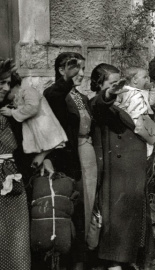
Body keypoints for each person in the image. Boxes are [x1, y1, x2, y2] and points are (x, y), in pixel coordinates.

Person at [89, 63, 153, 269]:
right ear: (100, 85)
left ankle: (128, 258)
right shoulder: (100, 104)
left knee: (131, 218)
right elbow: (99, 104)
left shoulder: (126, 102)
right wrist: (108, 95)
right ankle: (116, 261)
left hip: (133, 168)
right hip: (118, 171)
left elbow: (149, 129)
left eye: (120, 83)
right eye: (112, 84)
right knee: (117, 218)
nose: (118, 88)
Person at [43, 52, 92, 270]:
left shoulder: (81, 98)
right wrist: (65, 81)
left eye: (82, 68)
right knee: (62, 216)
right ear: (62, 71)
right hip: (60, 164)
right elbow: (55, 95)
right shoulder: (53, 94)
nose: (81, 73)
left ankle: (79, 264)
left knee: (81, 215)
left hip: (81, 162)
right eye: (75, 68)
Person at [0, 58, 31, 270]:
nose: (5, 88)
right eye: (1, 83)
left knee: (16, 238)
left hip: (12, 182)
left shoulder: (8, 112)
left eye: (7, 83)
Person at [0, 71, 68, 167]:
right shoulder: (19, 96)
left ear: (13, 86)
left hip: (43, 124)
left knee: (50, 142)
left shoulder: (28, 90)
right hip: (36, 126)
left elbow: (32, 107)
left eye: (8, 92)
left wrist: (12, 112)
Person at [114, 67, 155, 156]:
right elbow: (115, 101)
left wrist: (153, 91)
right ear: (135, 80)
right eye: (145, 77)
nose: (147, 80)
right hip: (131, 118)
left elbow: (151, 102)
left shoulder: (144, 92)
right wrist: (119, 106)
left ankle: (147, 152)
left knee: (149, 134)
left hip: (144, 118)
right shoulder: (125, 90)